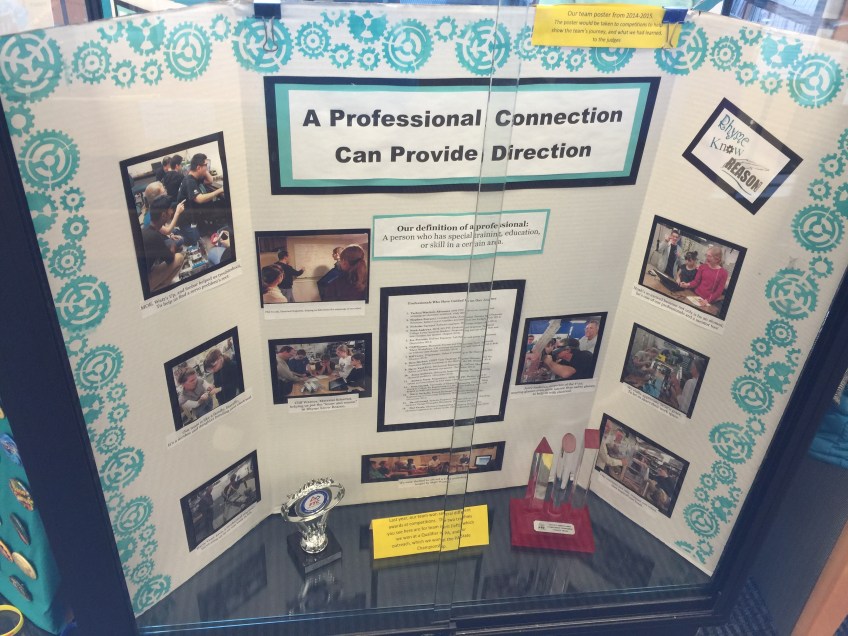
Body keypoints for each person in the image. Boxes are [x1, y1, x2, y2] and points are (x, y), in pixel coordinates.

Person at [176, 153, 226, 242]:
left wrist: (204, 169)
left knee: (221, 203)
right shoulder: (189, 181)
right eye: (206, 165)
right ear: (198, 168)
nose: (207, 167)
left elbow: (210, 180)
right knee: (195, 238)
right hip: (187, 220)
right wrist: (220, 190)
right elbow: (200, 199)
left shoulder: (195, 177)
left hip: (194, 212)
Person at [141, 196, 185, 292]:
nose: (172, 212)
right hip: (143, 283)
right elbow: (170, 259)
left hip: (143, 271)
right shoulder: (154, 237)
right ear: (164, 215)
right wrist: (173, 245)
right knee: (179, 258)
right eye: (170, 210)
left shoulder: (147, 229)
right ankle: (159, 290)